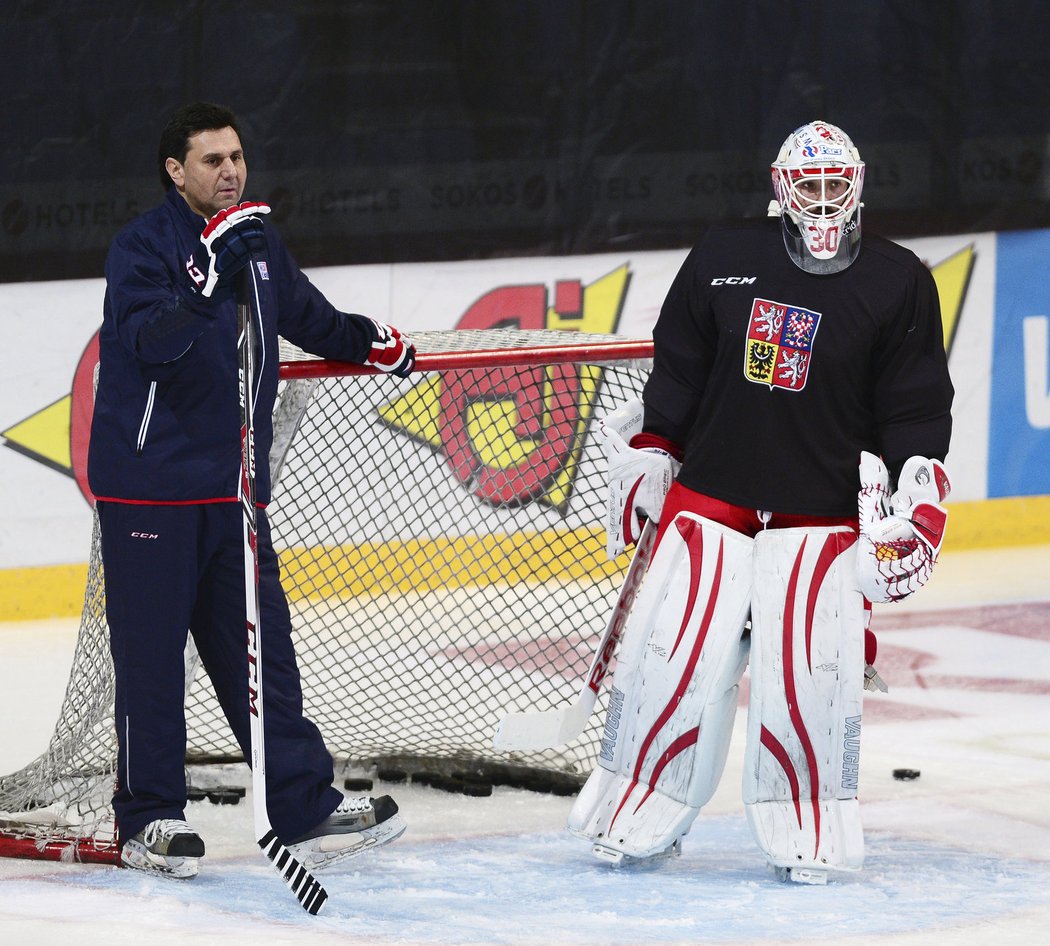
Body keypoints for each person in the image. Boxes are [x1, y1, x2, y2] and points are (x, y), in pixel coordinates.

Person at [568, 120, 954, 883]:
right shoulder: (722, 256)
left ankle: (806, 817)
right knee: (667, 661)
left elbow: (912, 409)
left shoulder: (898, 278)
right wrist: (654, 449)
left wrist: (915, 498)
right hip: (713, 492)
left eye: (834, 183)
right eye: (807, 184)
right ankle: (637, 799)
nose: (821, 199)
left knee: (813, 672)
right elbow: (678, 369)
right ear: (780, 187)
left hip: (824, 509)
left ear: (860, 184)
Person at [88, 102, 415, 879]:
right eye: (212, 160)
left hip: (235, 495)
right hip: (151, 496)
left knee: (261, 653)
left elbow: (307, 317)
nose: (230, 170)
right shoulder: (142, 247)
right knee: (153, 664)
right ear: (176, 171)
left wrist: (369, 341)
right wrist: (205, 281)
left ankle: (300, 802)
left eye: (237, 157)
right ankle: (150, 820)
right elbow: (150, 342)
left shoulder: (259, 243)